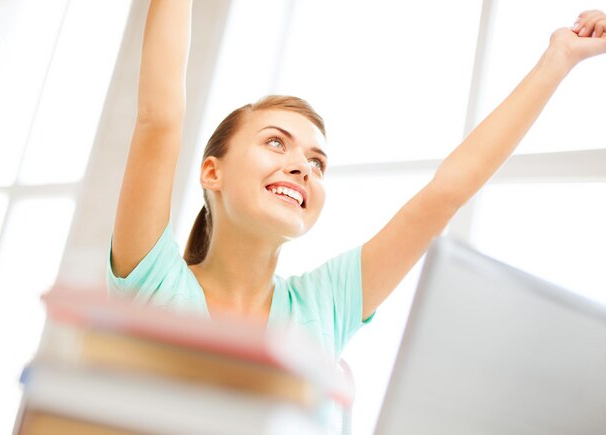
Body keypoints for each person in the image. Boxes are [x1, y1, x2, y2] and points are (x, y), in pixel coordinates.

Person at [107, 0, 606, 362]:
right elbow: (161, 117)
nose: (303, 167)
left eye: (317, 162)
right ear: (211, 172)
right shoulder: (152, 284)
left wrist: (558, 59)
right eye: (276, 143)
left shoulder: (325, 305)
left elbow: (445, 193)